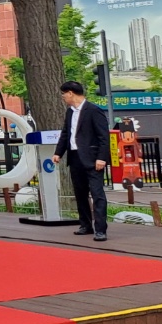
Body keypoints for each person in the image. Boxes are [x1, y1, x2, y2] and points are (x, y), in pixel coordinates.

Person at [52, 81, 111, 241]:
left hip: (93, 159)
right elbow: (66, 133)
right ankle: (85, 225)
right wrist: (58, 152)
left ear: (71, 93)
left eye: (64, 94)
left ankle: (101, 229)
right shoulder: (70, 112)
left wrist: (101, 158)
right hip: (75, 157)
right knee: (80, 193)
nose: (63, 97)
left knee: (97, 194)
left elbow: (104, 137)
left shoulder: (93, 110)